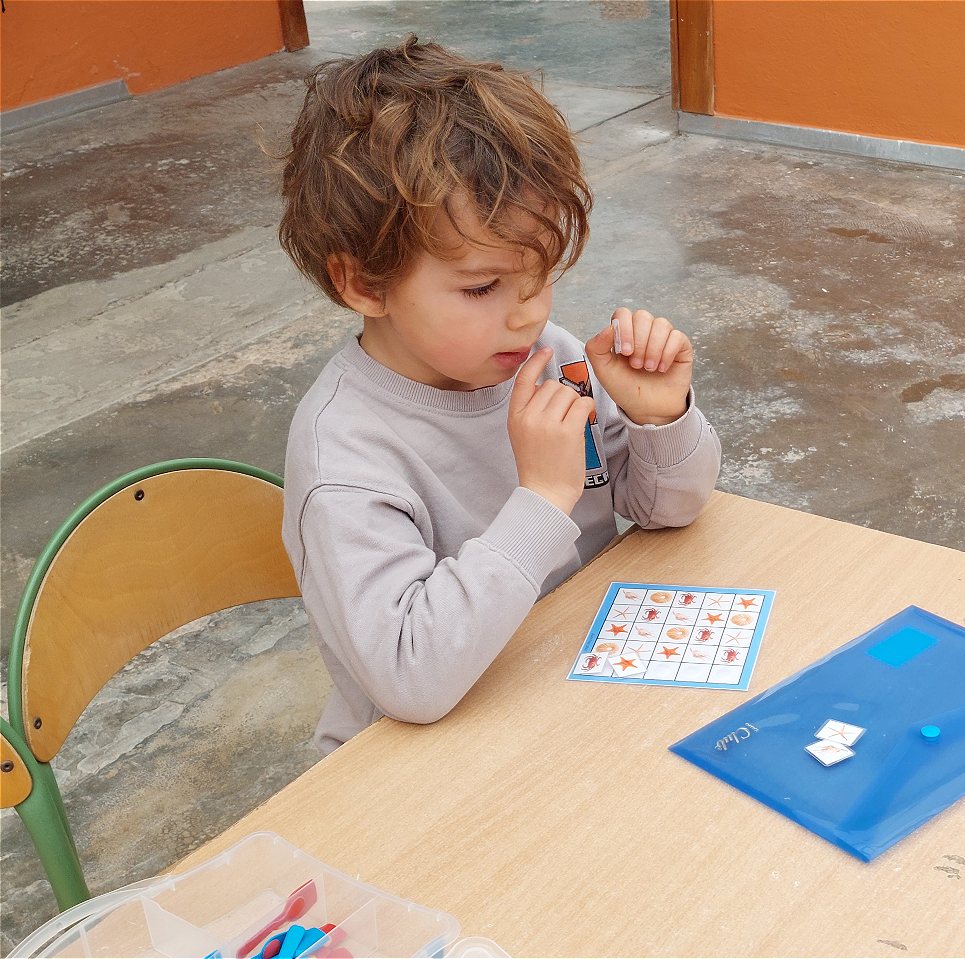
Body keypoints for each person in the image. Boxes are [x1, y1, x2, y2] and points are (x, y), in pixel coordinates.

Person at [277, 36, 721, 753]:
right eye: (483, 287)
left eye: (541, 275)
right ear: (362, 282)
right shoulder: (347, 457)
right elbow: (410, 678)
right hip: (421, 764)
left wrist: (658, 418)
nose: (528, 315)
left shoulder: (551, 359)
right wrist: (543, 498)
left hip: (561, 693)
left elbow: (667, 509)